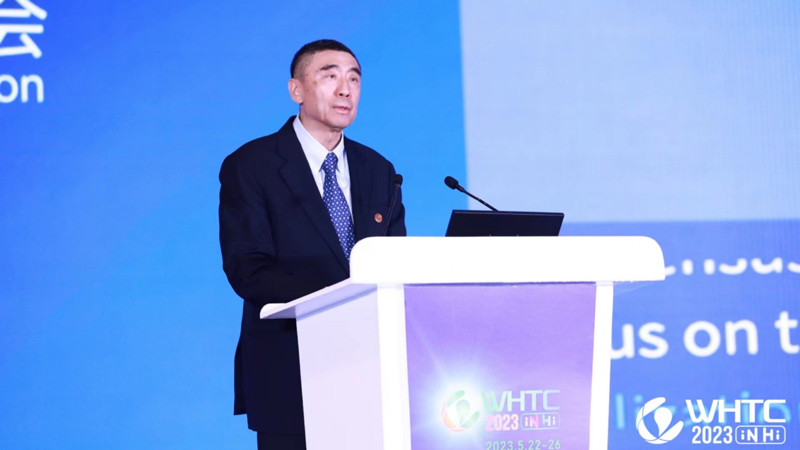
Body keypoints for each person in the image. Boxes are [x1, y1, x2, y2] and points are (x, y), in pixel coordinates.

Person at [218, 39, 406, 450]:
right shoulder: (252, 165)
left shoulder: (378, 169)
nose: (345, 89)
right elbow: (248, 268)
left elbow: (394, 260)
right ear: (297, 90)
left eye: (354, 79)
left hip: (373, 370)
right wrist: (343, 293)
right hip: (292, 370)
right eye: (330, 76)